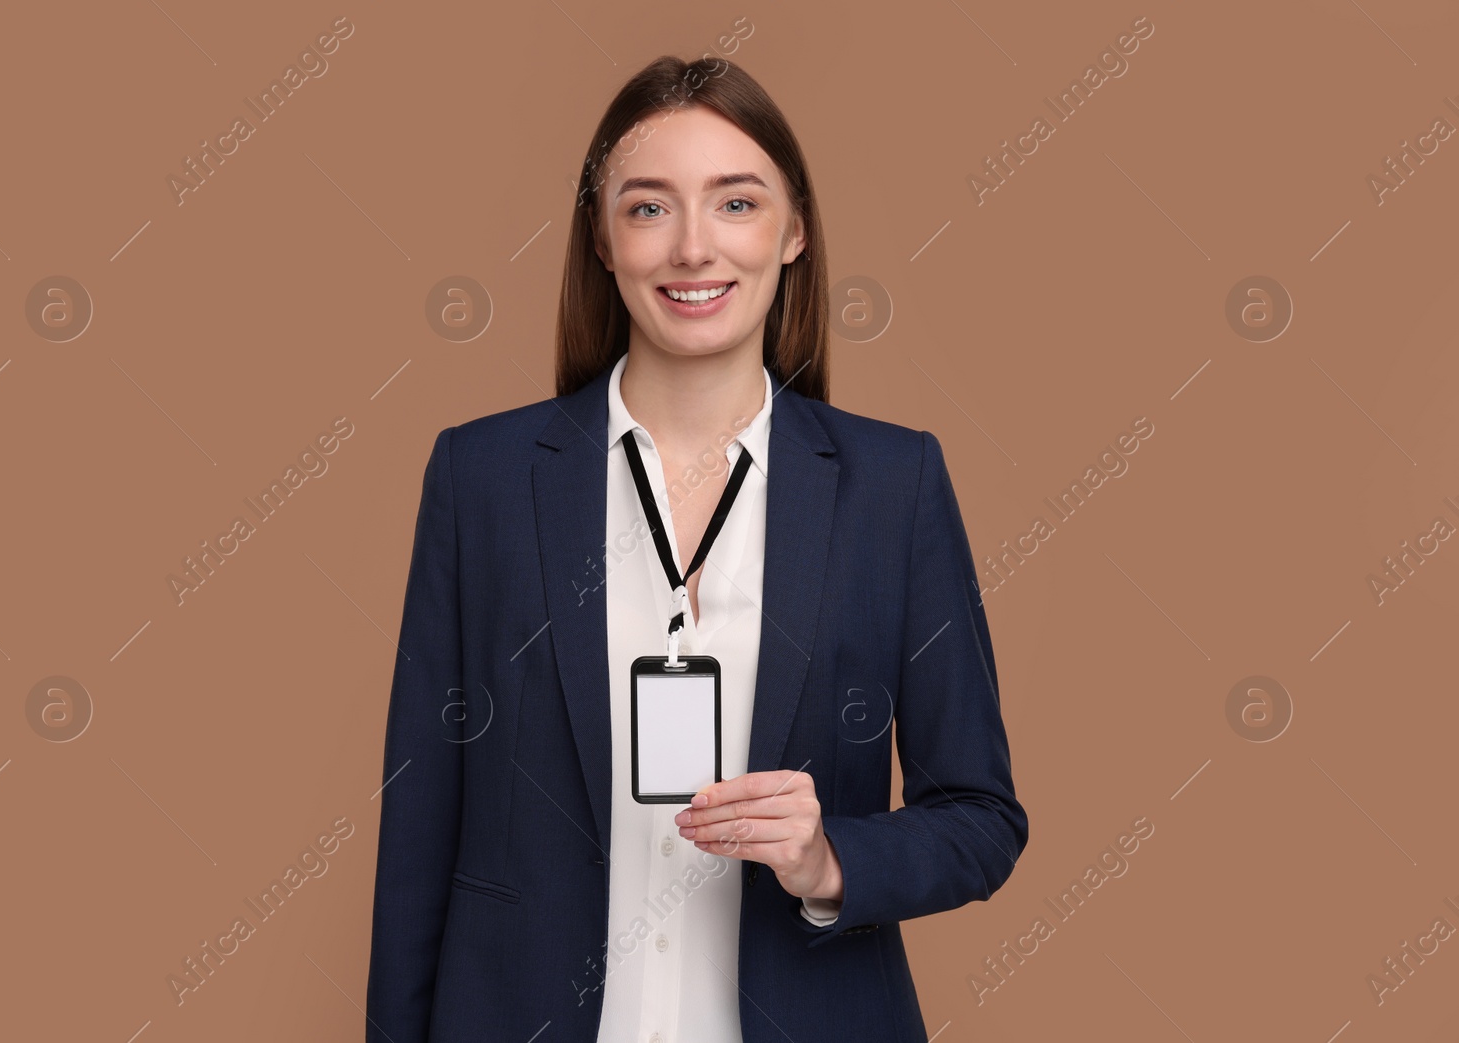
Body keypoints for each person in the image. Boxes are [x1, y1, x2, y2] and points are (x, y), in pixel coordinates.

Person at [365, 54, 1027, 1043]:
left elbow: (979, 817)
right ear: (601, 237)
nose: (690, 247)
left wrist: (828, 858)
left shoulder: (895, 485)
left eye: (735, 203)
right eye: (646, 208)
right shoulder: (481, 477)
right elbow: (418, 831)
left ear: (793, 230)